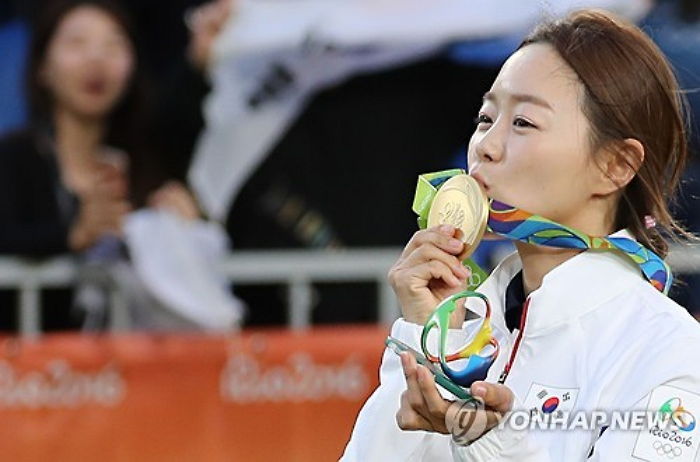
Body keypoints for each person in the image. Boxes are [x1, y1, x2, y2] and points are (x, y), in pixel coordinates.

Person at [341, 10, 700, 462]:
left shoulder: (668, 352)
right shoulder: (468, 328)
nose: (486, 146)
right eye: (485, 118)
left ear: (617, 165)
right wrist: (427, 335)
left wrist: (486, 439)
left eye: (523, 123)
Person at [0, 0, 200, 330]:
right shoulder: (15, 157)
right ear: (42, 67)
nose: (96, 59)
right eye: (77, 43)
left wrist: (186, 230)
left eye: (113, 45)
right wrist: (72, 236)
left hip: (137, 369)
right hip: (33, 372)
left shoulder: (151, 160)